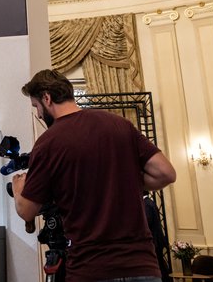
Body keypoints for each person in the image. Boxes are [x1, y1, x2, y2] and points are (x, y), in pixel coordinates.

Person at [11, 69, 177, 282]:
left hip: (90, 269)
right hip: (142, 266)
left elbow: (27, 211)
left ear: (47, 98)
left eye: (36, 106)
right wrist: (123, 177)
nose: (39, 114)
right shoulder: (119, 124)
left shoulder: (48, 143)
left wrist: (18, 189)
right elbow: (165, 173)